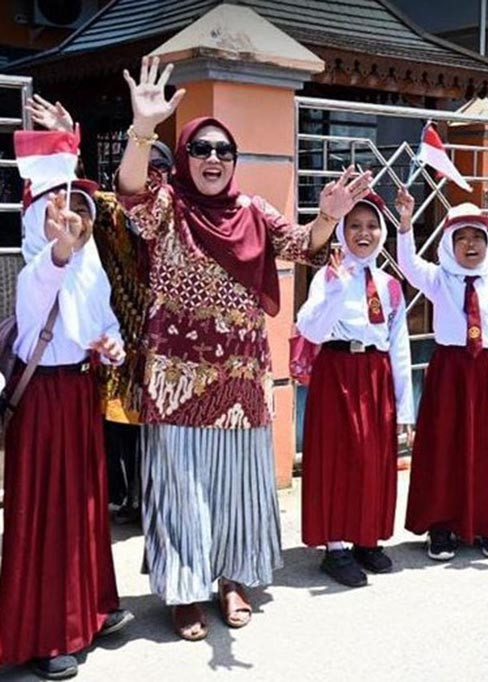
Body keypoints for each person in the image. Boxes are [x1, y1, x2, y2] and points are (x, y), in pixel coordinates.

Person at [115, 56, 371, 640]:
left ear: (234, 162)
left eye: (222, 152)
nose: (211, 159)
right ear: (185, 158)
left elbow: (305, 246)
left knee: (234, 490)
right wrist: (142, 128)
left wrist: (328, 218)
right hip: (176, 381)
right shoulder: (167, 207)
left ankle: (231, 580)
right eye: (201, 149)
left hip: (242, 382)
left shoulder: (254, 212)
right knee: (179, 489)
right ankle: (183, 590)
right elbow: (129, 192)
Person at [1, 127, 132, 680]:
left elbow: (105, 329)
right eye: (58, 211)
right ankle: (48, 633)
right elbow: (46, 279)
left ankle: (90, 609)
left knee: (83, 507)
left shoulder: (90, 271)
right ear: (38, 222)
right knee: (48, 513)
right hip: (45, 405)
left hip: (81, 395)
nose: (72, 220)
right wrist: (58, 245)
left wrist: (112, 346)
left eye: (79, 210)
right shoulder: (39, 270)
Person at [23, 94, 172, 523]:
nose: (153, 179)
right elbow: (73, 201)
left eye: (161, 171)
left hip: (158, 340)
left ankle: (153, 502)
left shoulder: (178, 215)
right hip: (113, 337)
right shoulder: (110, 210)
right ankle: (126, 497)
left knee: (155, 429)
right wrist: (65, 142)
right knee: (120, 425)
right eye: (148, 169)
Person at [398, 200, 488, 561]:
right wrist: (405, 223)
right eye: (463, 238)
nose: (471, 245)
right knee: (445, 447)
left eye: (478, 237)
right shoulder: (438, 279)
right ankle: (441, 526)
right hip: (449, 372)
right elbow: (409, 265)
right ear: (448, 244)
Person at [295, 191, 414, 587]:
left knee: (373, 459)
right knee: (338, 458)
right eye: (355, 226)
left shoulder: (390, 285)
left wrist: (405, 406)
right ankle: (335, 546)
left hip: (376, 373)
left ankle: (367, 536)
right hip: (338, 372)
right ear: (342, 232)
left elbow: (399, 344)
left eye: (372, 226)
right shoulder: (327, 276)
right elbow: (310, 329)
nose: (364, 234)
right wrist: (333, 288)